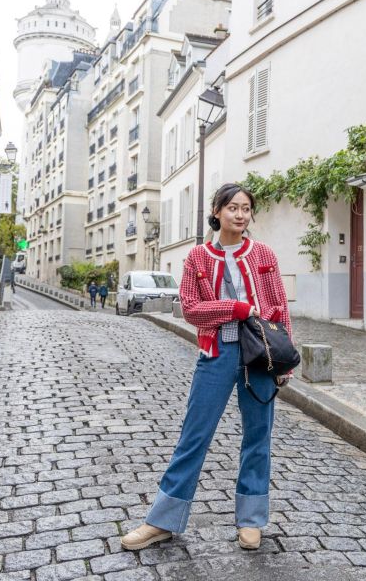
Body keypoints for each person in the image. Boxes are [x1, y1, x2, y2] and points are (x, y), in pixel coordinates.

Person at [121, 183, 293, 553]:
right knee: (194, 436)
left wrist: (284, 361)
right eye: (233, 207)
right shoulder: (197, 258)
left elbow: (280, 306)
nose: (240, 214)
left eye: (246, 208)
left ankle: (251, 519)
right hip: (217, 354)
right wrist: (236, 308)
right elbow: (190, 309)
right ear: (216, 211)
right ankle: (162, 520)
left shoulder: (263, 253)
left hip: (259, 357)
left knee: (258, 437)